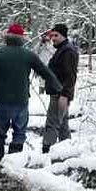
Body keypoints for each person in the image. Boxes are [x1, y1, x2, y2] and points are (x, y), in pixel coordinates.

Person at [0, 23, 60, 174]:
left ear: (7, 37)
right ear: (22, 38)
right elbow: (45, 72)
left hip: (1, 101)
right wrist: (58, 87)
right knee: (19, 134)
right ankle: (11, 169)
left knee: (0, 134)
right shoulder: (28, 55)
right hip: (21, 102)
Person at [40, 22, 78, 154]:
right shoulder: (62, 50)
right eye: (52, 36)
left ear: (63, 36)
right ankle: (67, 152)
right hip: (59, 93)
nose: (53, 38)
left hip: (60, 95)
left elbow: (71, 76)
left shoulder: (68, 51)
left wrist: (65, 96)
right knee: (62, 125)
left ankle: (46, 152)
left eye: (56, 35)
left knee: (52, 124)